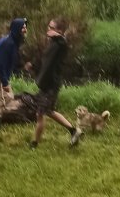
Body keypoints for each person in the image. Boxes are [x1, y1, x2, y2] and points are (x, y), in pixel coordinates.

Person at [30, 18, 82, 149]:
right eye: (48, 26)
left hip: (51, 85)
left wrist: (59, 36)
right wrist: (33, 66)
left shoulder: (61, 44)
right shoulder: (52, 43)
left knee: (41, 114)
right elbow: (46, 61)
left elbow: (63, 41)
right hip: (46, 84)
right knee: (48, 111)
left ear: (59, 31)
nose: (48, 29)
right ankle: (74, 131)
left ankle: (34, 144)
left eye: (51, 27)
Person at [0, 18, 28, 120]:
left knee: (9, 96)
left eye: (25, 27)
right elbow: (0, 64)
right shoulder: (8, 43)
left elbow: (10, 61)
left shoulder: (15, 41)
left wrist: (22, 68)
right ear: (16, 29)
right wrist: (5, 83)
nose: (25, 30)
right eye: (23, 28)